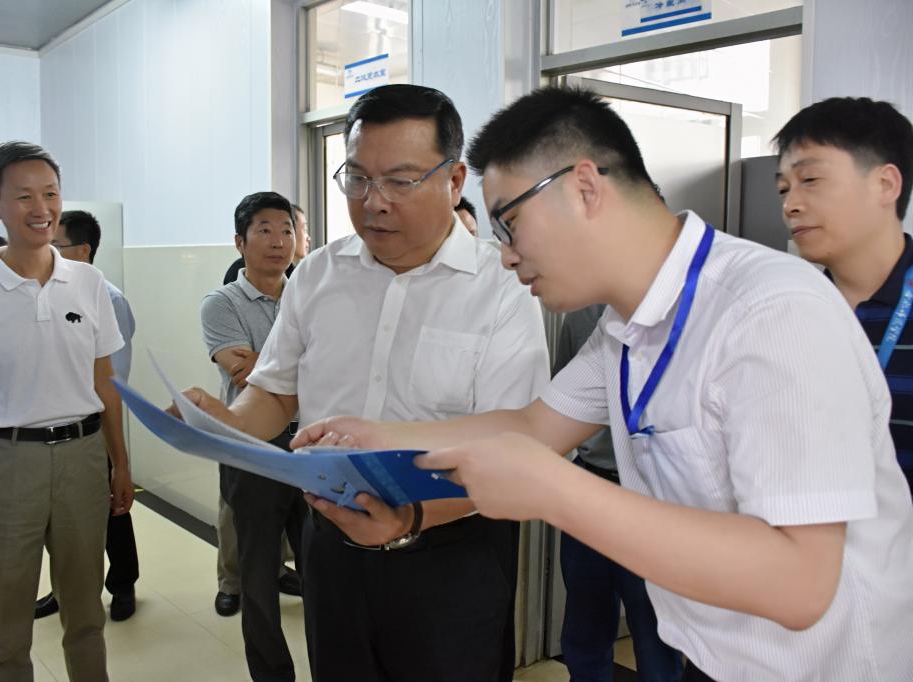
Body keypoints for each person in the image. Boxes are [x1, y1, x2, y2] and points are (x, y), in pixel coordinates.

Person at [293, 86, 913, 681]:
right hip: (718, 656)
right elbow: (534, 425)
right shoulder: (627, 326)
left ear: (584, 187)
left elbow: (801, 585)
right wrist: (379, 435)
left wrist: (554, 490)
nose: (505, 255)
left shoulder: (771, 313)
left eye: (511, 223)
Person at [177, 84, 549, 682]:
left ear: (454, 180)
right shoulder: (317, 274)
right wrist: (224, 424)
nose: (374, 202)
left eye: (400, 181)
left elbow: (513, 449)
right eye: (357, 179)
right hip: (331, 543)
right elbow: (276, 392)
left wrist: (409, 520)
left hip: (452, 549)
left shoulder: (501, 288)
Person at [0, 141, 134, 682]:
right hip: (3, 463)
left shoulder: (89, 283)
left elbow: (105, 383)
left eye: (50, 193)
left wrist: (121, 463)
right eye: (24, 196)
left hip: (82, 458)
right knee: (4, 630)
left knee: (86, 615)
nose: (41, 208)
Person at [774, 96, 913, 494]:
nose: (790, 205)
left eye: (810, 180)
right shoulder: (785, 313)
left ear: (886, 184)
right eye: (783, 189)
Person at [201, 190, 308, 682]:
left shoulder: (309, 293)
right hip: (252, 447)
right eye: (264, 230)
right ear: (240, 242)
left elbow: (332, 361)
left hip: (312, 445)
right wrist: (306, 358)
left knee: (322, 568)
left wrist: (273, 361)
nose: (279, 240)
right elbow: (245, 376)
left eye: (287, 230)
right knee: (258, 575)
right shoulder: (221, 304)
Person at [555, 306, 682, 682]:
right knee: (584, 626)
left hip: (651, 500)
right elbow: (555, 402)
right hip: (589, 487)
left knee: (655, 634)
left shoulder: (685, 317)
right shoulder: (581, 317)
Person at [33, 209, 141, 622]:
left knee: (114, 510)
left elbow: (115, 377)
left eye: (56, 245)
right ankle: (66, 589)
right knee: (59, 518)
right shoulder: (45, 292)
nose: (48, 251)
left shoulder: (109, 298)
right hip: (54, 425)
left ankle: (124, 583)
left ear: (83, 250)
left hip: (95, 424)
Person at [224, 204, 307, 285]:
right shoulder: (241, 270)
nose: (278, 242)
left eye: (286, 232)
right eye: (265, 231)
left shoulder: (297, 275)